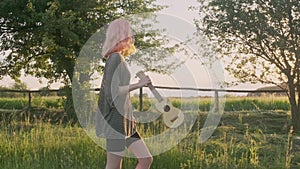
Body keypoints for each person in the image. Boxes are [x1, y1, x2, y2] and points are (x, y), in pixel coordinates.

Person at [96, 18, 153, 169]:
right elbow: (113, 91)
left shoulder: (120, 57)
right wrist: (139, 84)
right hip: (116, 121)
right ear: (122, 34)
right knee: (114, 166)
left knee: (146, 159)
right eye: (129, 31)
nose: (132, 35)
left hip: (126, 121)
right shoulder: (114, 57)